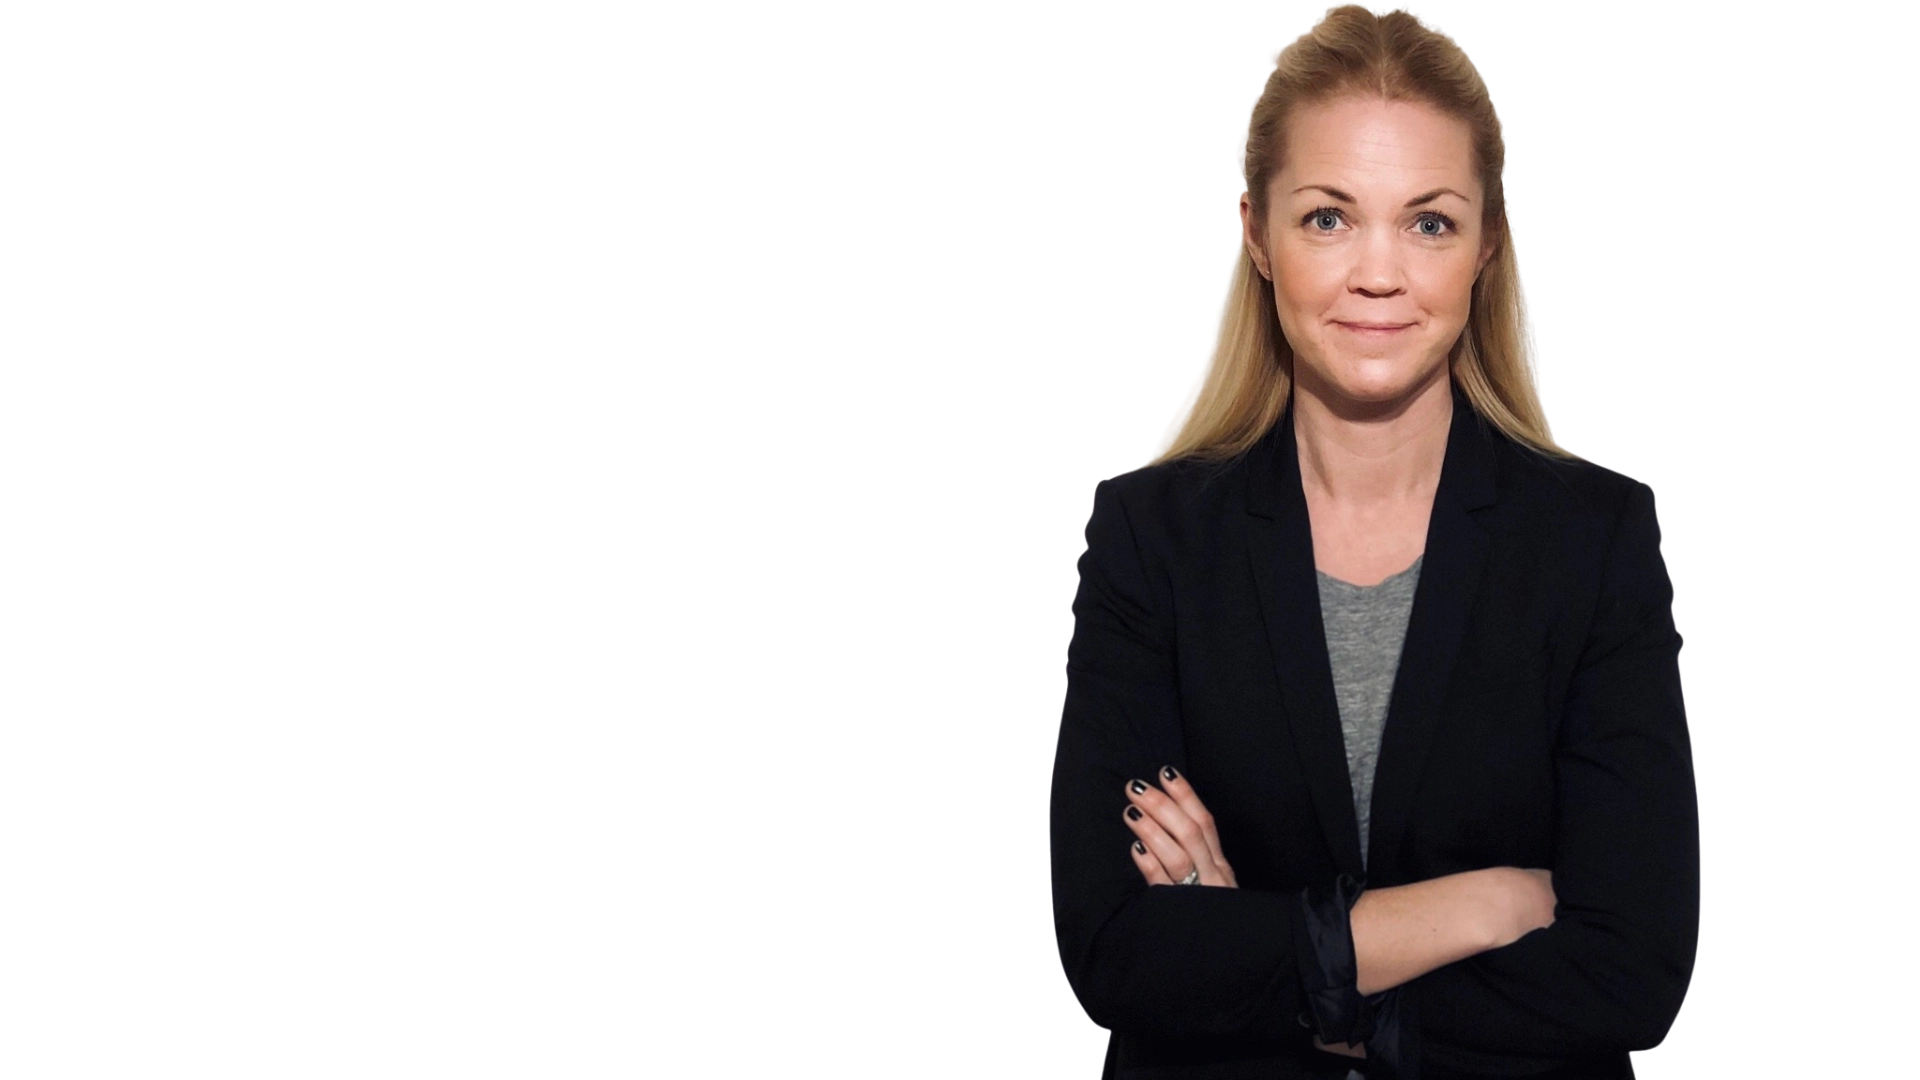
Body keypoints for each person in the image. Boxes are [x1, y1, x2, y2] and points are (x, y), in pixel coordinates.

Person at [1048, 8, 1698, 1080]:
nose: (1380, 274)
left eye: (1429, 222)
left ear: (1487, 243)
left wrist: (1273, 967)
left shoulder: (1594, 539)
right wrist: (1478, 907)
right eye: (1329, 218)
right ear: (1258, 234)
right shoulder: (1150, 538)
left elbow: (1630, 974)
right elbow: (1117, 953)